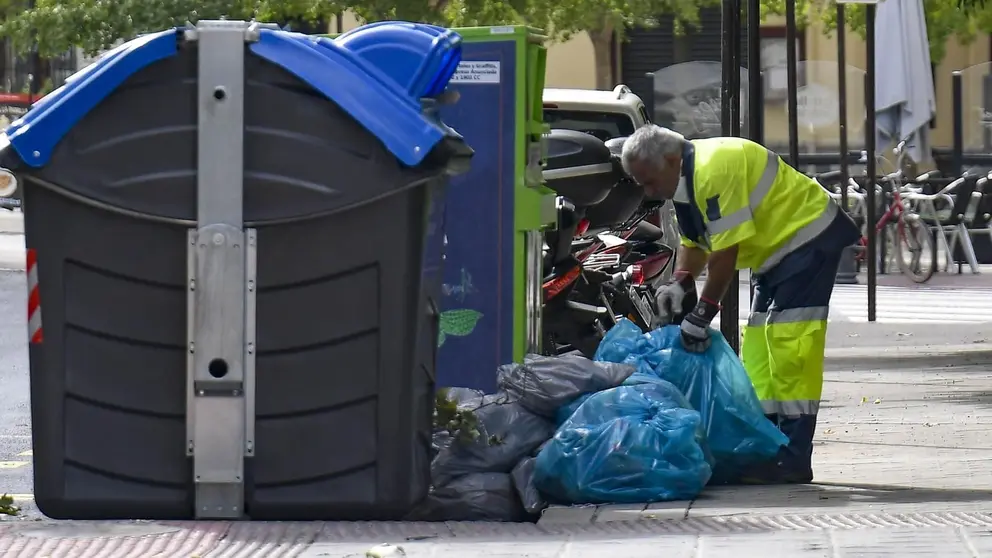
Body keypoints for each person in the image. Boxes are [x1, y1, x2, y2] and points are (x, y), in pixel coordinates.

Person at [619, 124, 861, 484]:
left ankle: (793, 459)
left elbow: (725, 251)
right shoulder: (686, 180)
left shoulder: (713, 168)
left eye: (649, 181)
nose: (648, 192)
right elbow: (696, 243)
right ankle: (767, 447)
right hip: (780, 250)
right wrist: (680, 281)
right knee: (761, 349)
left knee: (790, 345)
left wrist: (703, 313)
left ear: (671, 160)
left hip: (807, 238)